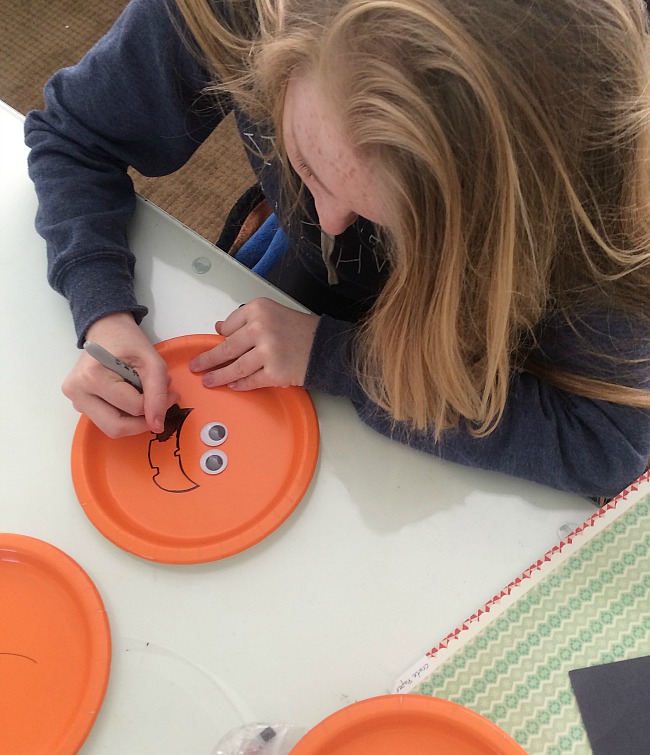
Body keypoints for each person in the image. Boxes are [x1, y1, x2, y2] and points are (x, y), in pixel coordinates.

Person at [24, 0, 650, 499]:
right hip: (317, 302)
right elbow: (73, 137)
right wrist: (102, 308)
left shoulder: (610, 208)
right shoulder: (232, 10)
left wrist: (338, 358)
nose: (329, 219)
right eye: (307, 166)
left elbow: (614, 444)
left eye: (395, 219)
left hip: (493, 365)